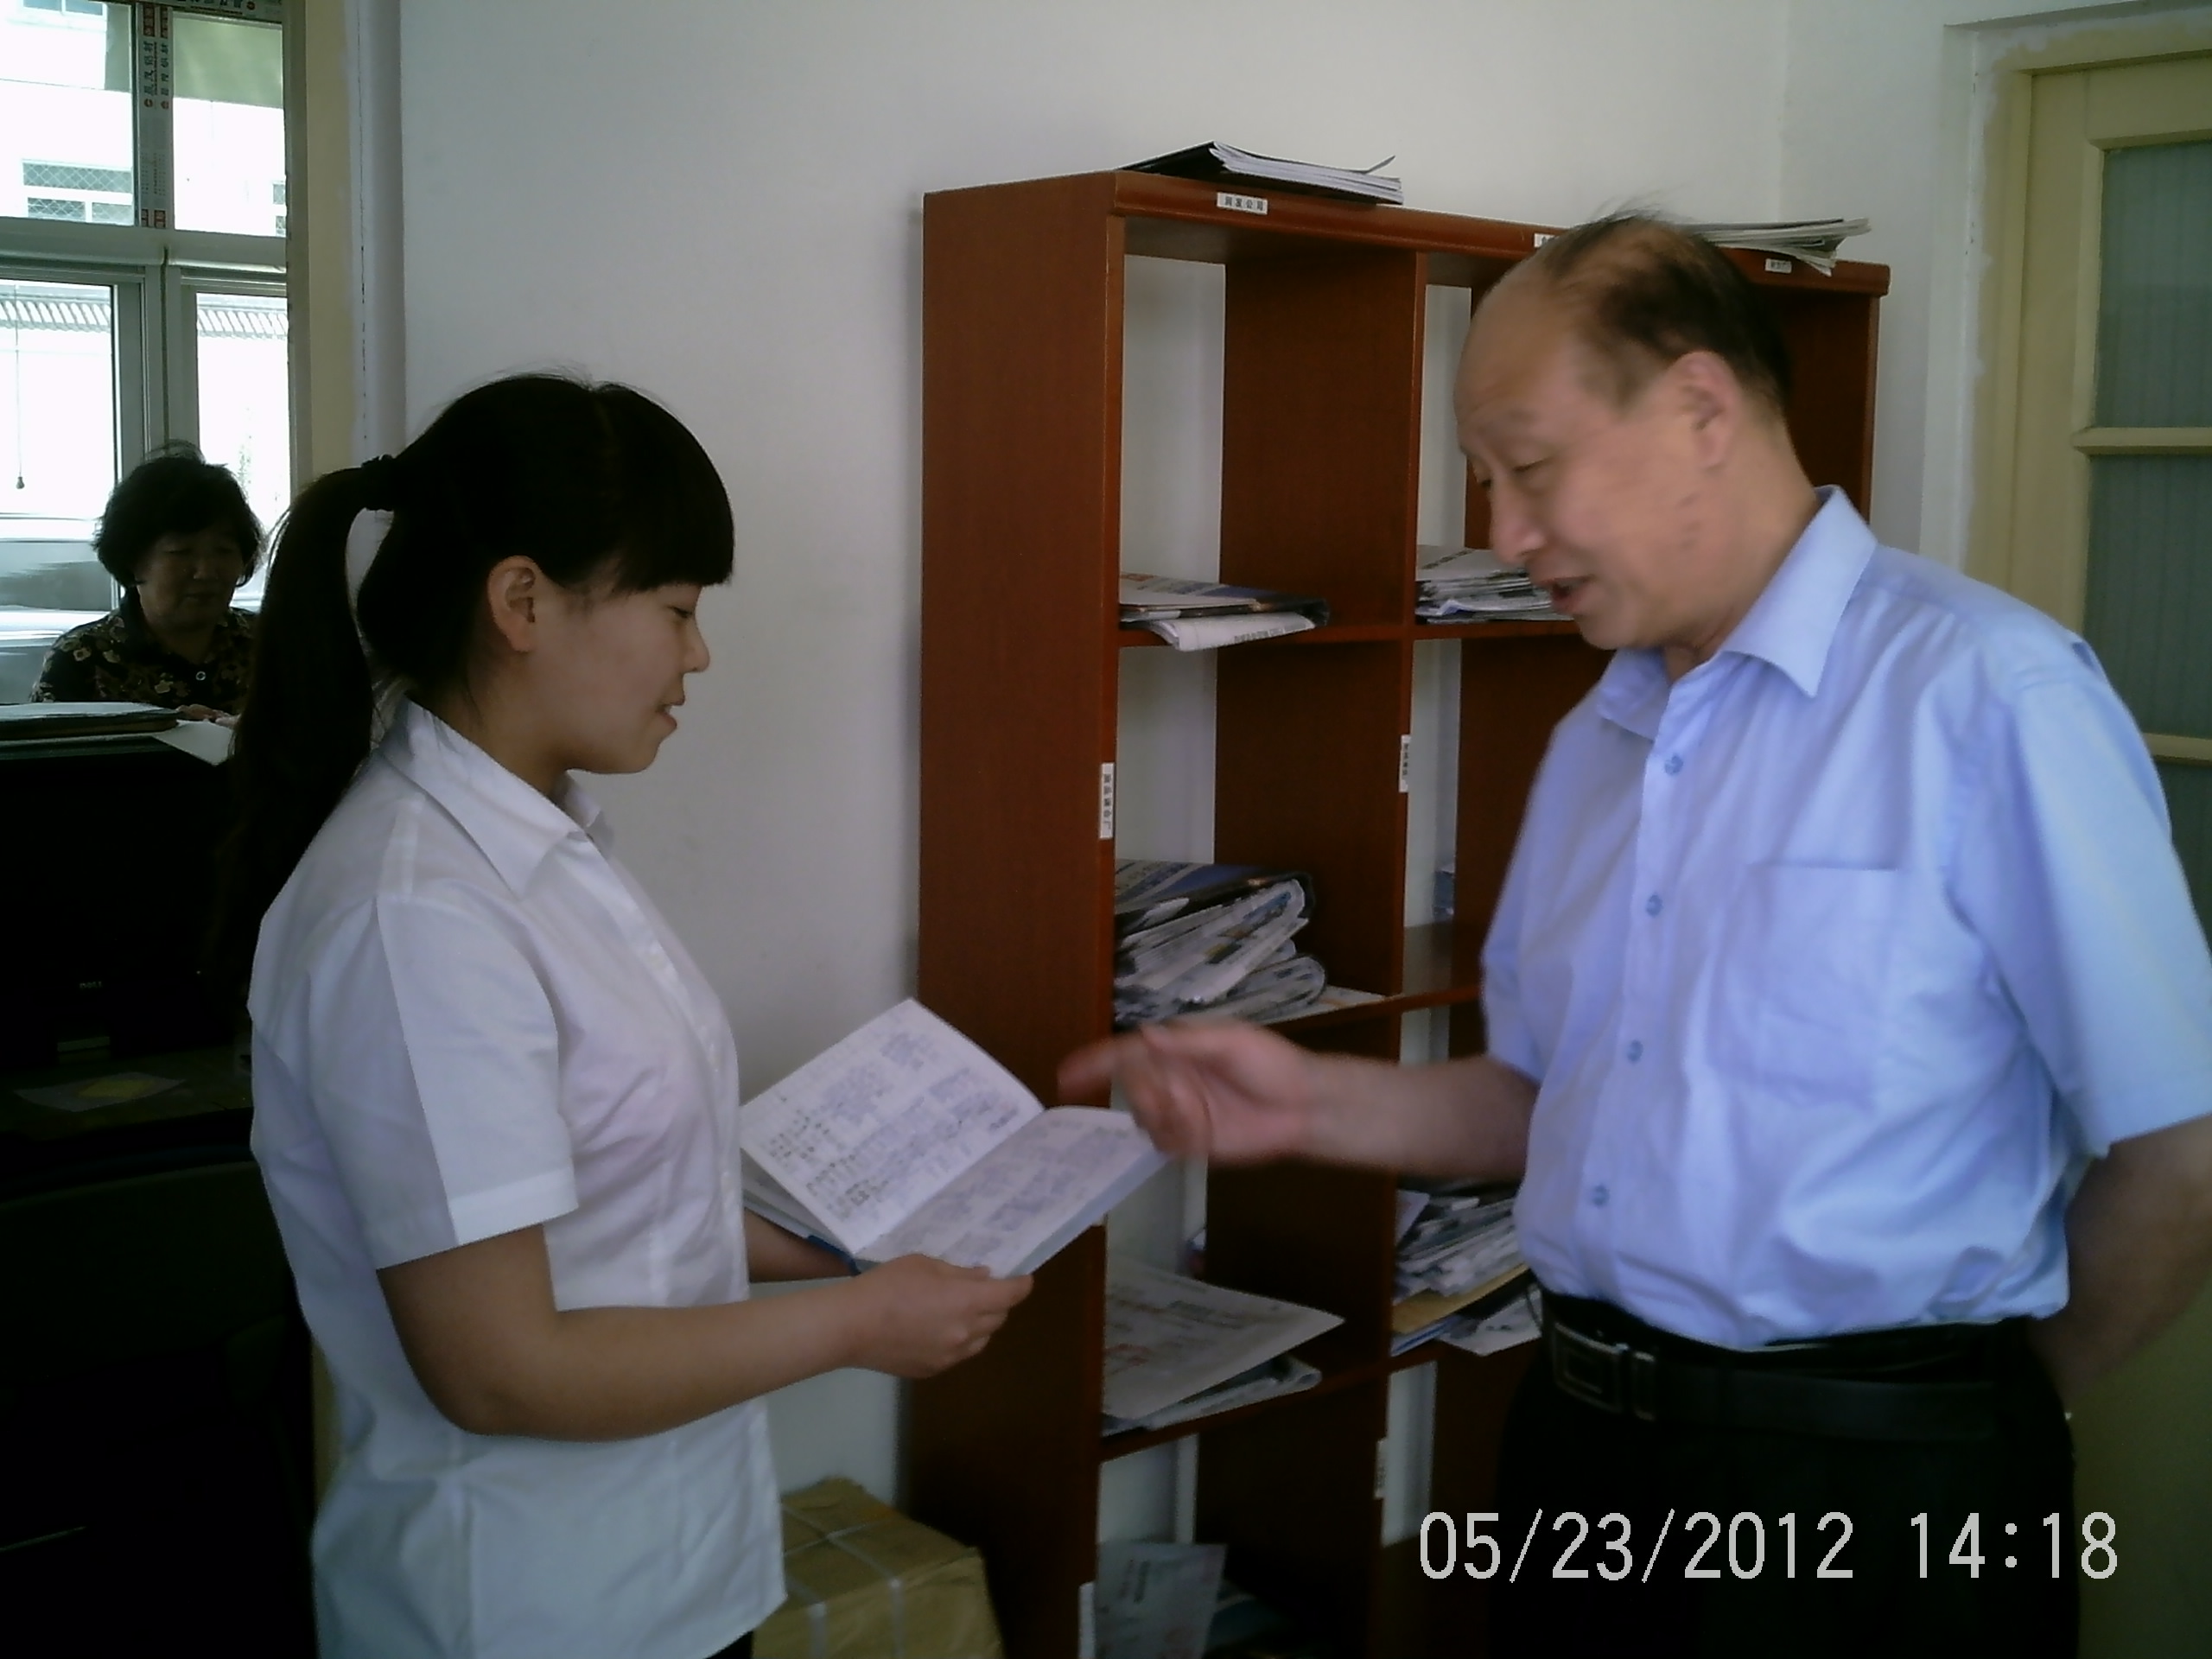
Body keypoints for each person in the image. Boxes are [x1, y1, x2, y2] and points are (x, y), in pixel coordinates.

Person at [1063, 218, 2212, 1658]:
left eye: (1530, 467)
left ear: (1700, 410)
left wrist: (1985, 1423)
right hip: (1578, 1443)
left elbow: (2179, 1151)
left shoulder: (1988, 696)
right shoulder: (1605, 737)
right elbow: (1552, 1095)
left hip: (1880, 1480)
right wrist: (1306, 1102)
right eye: (1486, 480)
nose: (1503, 533)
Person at [221, 374, 1032, 1659]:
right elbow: (502, 1369)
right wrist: (860, 1325)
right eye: (677, 610)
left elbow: (629, 1199)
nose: (698, 655)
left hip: (676, 1571)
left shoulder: (547, 850)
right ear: (523, 602)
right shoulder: (414, 916)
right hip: (527, 1609)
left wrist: (847, 1258)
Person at [29, 443, 262, 721]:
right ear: (133, 558)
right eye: (181, 552)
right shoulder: (81, 659)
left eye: (223, 551)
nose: (205, 572)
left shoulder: (269, 641)